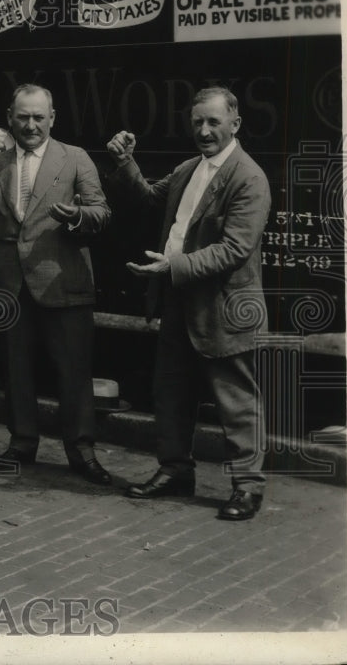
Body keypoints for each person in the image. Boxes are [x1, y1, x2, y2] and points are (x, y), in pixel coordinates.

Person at [105, 86, 271, 521]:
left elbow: (234, 249)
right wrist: (124, 163)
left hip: (224, 307)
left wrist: (173, 266)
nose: (204, 130)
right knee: (171, 392)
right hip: (179, 302)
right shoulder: (187, 170)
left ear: (235, 124)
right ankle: (175, 469)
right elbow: (144, 199)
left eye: (214, 122)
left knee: (236, 401)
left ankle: (248, 488)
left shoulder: (248, 178)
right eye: (198, 121)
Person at [0, 85, 113, 483]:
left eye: (38, 117)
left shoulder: (74, 157)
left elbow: (101, 212)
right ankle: (22, 441)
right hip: (8, 283)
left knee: (74, 373)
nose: (31, 125)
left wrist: (78, 216)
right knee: (15, 370)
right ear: (10, 116)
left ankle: (81, 451)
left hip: (63, 280)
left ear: (52, 118)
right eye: (23, 117)